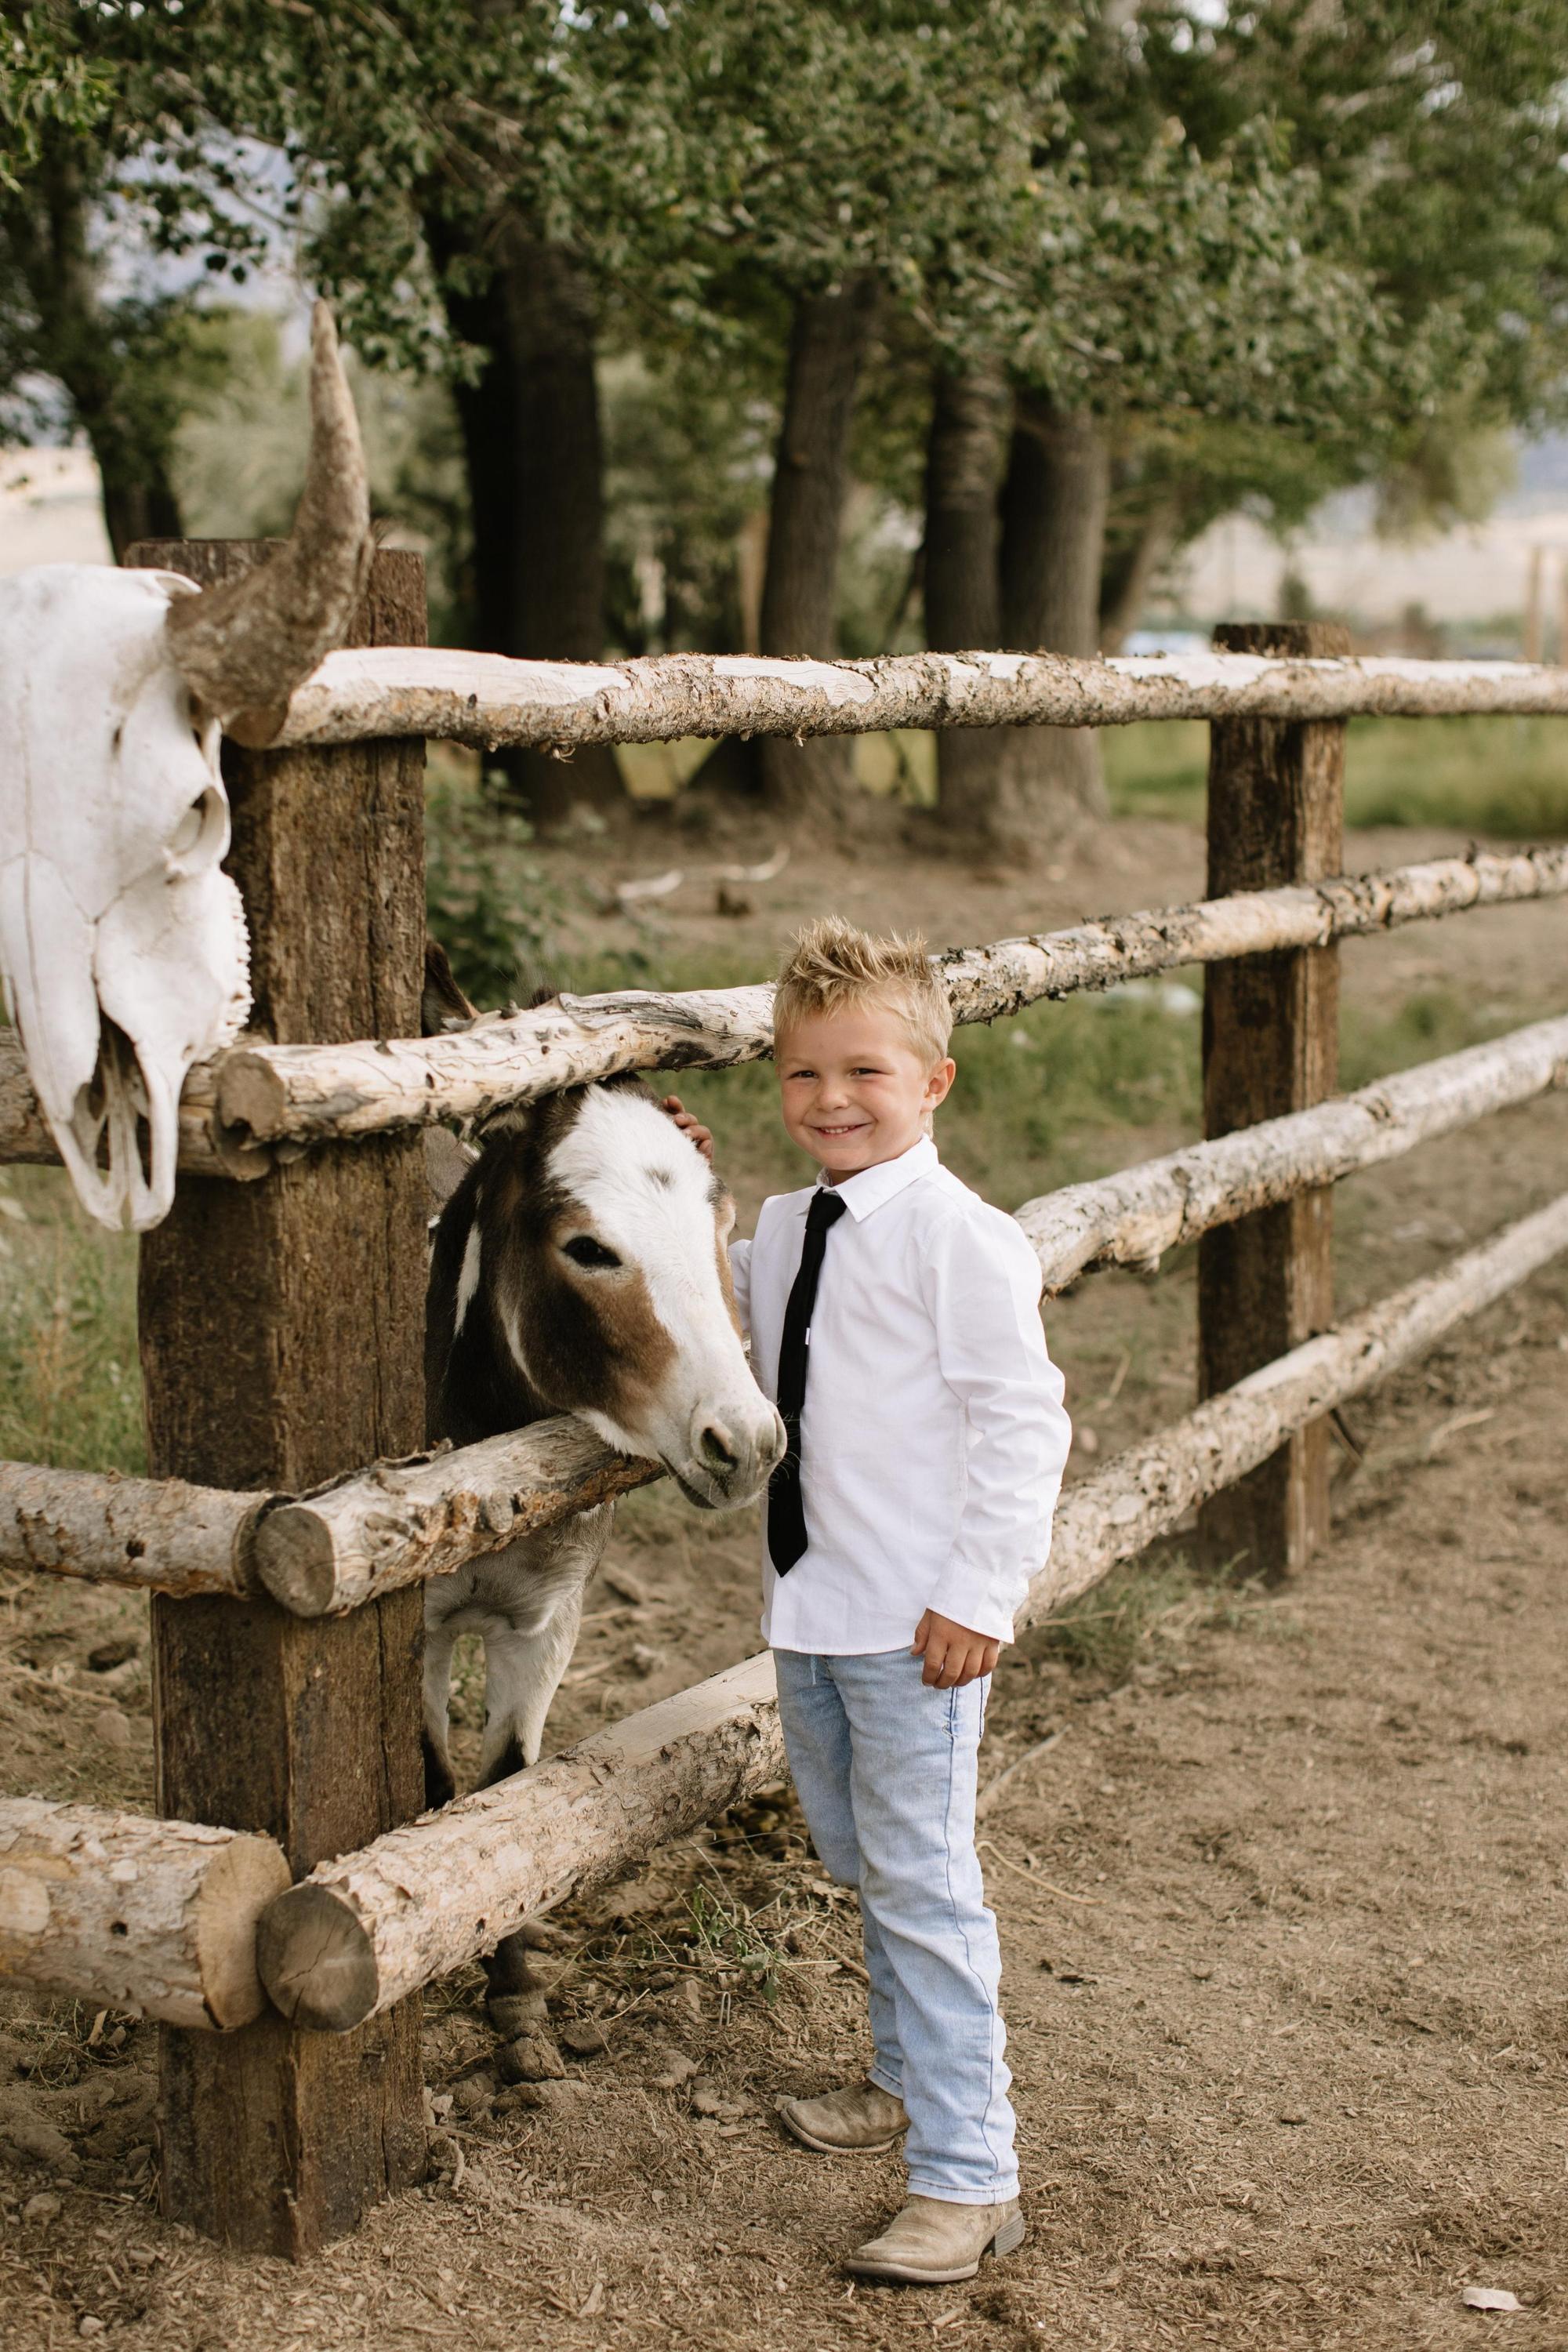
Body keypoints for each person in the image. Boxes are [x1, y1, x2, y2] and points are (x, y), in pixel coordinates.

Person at [664, 916, 1071, 2286]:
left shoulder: (962, 1241)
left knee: (922, 1887)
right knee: (859, 1865)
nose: (831, 1101)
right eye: (801, 1077)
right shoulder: (785, 1227)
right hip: (811, 1611)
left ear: (932, 1082)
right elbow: (724, 1322)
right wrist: (685, 1192)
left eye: (864, 1075)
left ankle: (971, 2178)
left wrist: (978, 1594)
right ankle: (901, 2077)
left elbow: (1024, 1424)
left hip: (916, 1629)